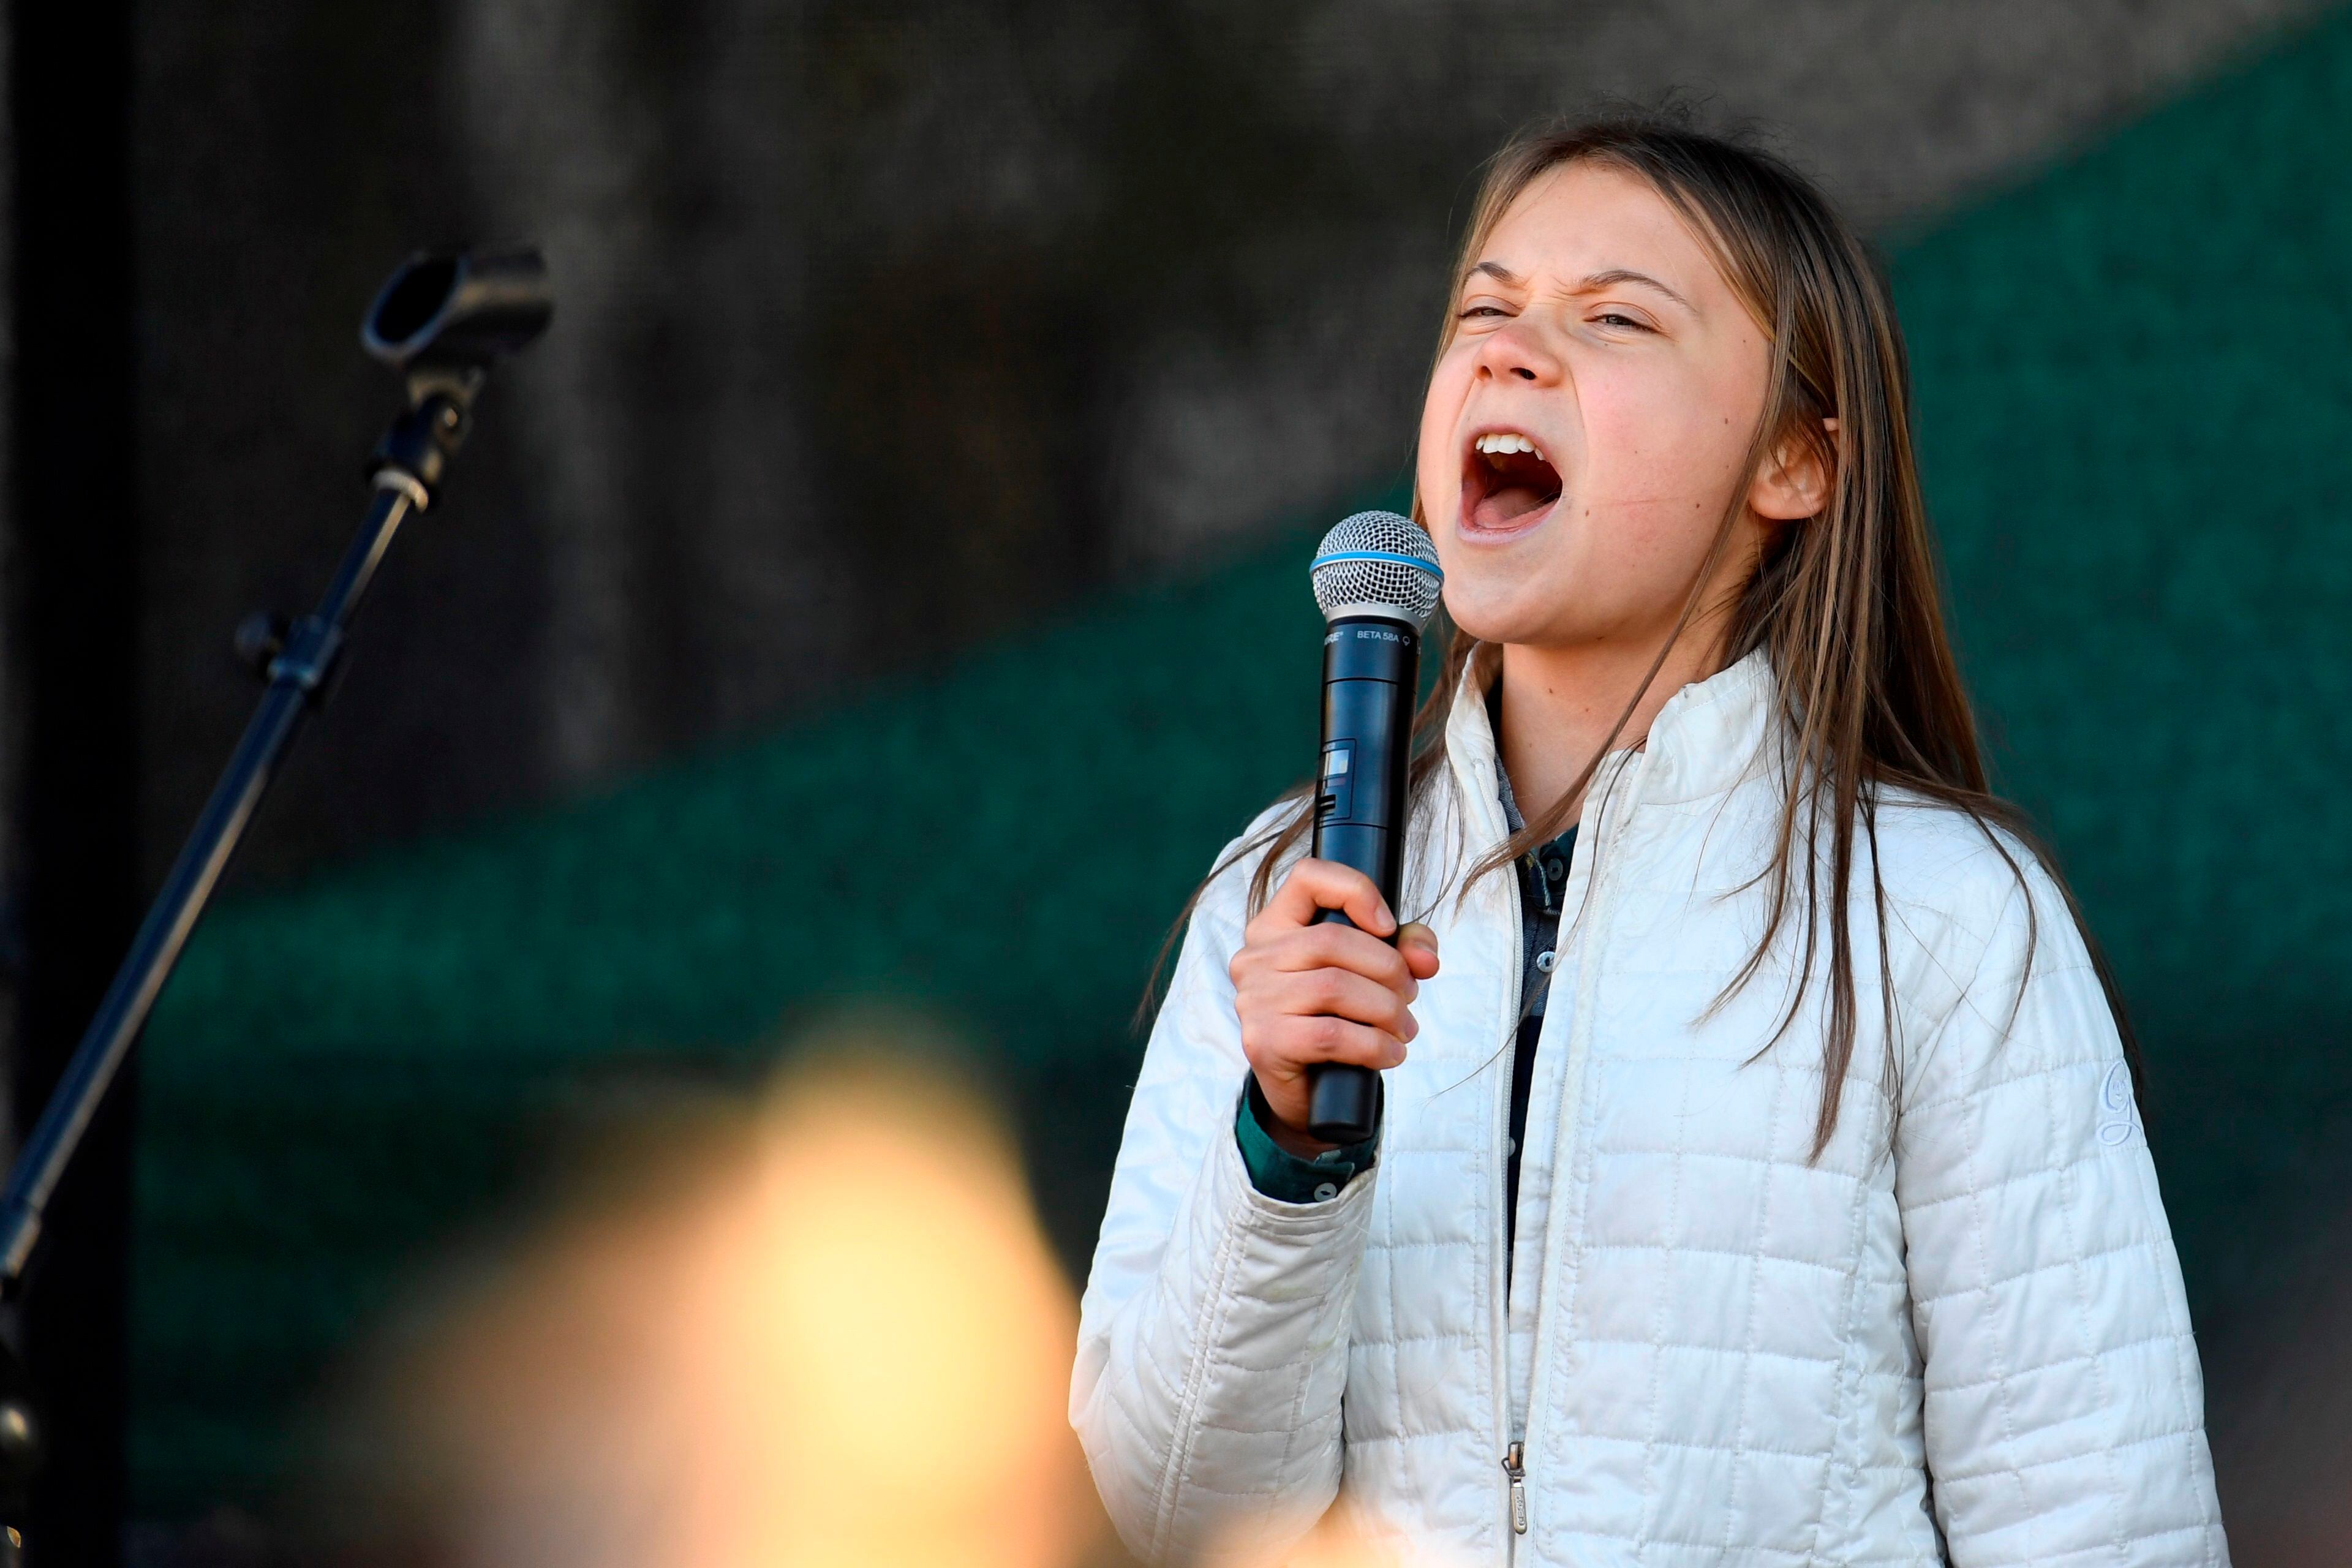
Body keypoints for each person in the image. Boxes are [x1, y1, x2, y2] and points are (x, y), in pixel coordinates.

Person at [1070, 114, 2227, 1567]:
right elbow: (1171, 1516)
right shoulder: (1282, 893)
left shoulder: (1941, 913)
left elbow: (2099, 1518)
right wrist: (1285, 1152)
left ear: (1797, 462)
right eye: (1484, 309)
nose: (1510, 350)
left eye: (1614, 317)